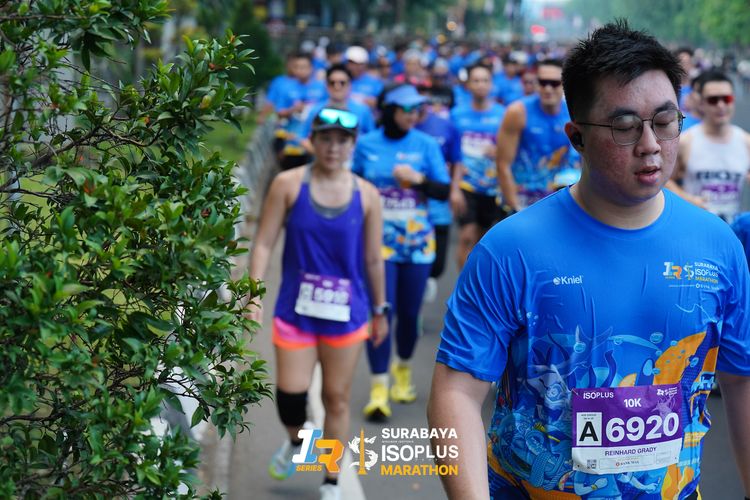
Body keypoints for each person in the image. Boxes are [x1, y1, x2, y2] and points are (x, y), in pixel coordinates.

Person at [428, 20, 750, 500]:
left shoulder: (718, 245)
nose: (650, 144)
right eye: (625, 127)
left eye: (665, 122)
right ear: (576, 136)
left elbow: (741, 380)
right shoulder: (509, 250)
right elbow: (455, 392)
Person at [248, 108, 388, 500]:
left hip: (347, 315)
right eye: (326, 138)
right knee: (290, 397)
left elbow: (374, 259)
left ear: (353, 145)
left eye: (342, 141)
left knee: (336, 400)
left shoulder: (367, 195)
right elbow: (264, 242)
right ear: (312, 140)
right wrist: (253, 293)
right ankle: (298, 443)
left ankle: (330, 481)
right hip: (296, 311)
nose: (333, 147)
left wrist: (380, 310)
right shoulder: (288, 185)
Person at [352, 85, 451, 420]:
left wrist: (418, 180)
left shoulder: (425, 144)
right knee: (381, 310)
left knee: (409, 315)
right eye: (406, 109)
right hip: (377, 243)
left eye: (417, 110)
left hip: (417, 244)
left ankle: (403, 370)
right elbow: (351, 187)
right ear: (389, 110)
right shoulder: (366, 144)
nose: (413, 115)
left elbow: (443, 190)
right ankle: (378, 388)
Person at [496, 58, 580, 212]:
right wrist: (515, 208)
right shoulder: (518, 112)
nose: (548, 88)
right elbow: (503, 163)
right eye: (543, 82)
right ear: (536, 83)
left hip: (559, 200)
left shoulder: (575, 112)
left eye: (554, 83)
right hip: (523, 199)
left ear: (564, 84)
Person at [667, 71, 750, 222]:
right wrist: (689, 200)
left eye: (727, 99)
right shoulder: (686, 141)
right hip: (696, 224)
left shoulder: (746, 142)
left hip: (732, 229)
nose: (721, 105)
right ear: (701, 104)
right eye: (713, 100)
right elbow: (666, 180)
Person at [450, 63, 507, 269]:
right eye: (476, 80)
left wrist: (499, 150)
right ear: (468, 85)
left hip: (493, 186)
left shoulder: (503, 114)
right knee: (466, 236)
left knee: (481, 241)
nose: (481, 85)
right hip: (466, 184)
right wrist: (453, 182)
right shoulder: (457, 114)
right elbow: (449, 149)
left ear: (491, 85)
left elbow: (512, 148)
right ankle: (461, 285)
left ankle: (474, 282)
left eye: (485, 80)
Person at [414, 86, 464, 302]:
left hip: (439, 203)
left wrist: (455, 190)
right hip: (411, 207)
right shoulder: (401, 128)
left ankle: (422, 285)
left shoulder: (445, 126)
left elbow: (457, 161)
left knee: (437, 266)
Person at [300, 64, 376, 154]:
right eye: (332, 83)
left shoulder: (363, 110)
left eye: (342, 83)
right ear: (326, 85)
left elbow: (372, 140)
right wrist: (326, 156)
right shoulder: (314, 110)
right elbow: (304, 139)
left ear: (350, 85)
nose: (337, 87)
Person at [275, 52, 327, 171]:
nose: (300, 70)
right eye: (297, 67)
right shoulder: (287, 88)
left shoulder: (322, 88)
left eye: (303, 67)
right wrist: (293, 110)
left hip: (314, 143)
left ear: (311, 68)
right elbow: (279, 112)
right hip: (293, 143)